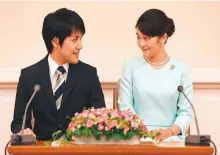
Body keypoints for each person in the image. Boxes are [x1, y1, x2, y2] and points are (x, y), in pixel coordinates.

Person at [11, 8, 105, 140]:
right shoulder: (29, 75)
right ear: (55, 41)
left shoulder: (89, 74)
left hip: (77, 148)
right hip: (41, 149)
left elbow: (100, 117)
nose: (80, 46)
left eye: (81, 39)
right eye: (74, 40)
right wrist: (24, 131)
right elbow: (18, 122)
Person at [118, 9, 193, 141]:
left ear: (163, 38)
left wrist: (169, 132)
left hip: (171, 138)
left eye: (146, 38)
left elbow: (186, 112)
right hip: (137, 136)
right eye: (138, 37)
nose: (141, 43)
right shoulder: (130, 66)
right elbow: (125, 107)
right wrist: (143, 132)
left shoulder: (181, 69)